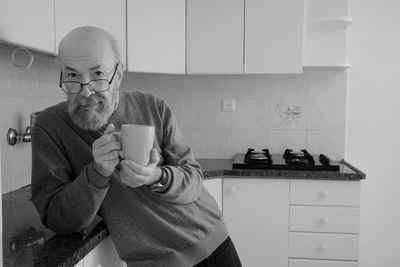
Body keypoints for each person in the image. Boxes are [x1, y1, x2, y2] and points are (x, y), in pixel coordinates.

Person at [31, 26, 241, 267]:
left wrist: (156, 176)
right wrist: (97, 173)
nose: (85, 91)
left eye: (97, 73)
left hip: (212, 240)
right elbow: (57, 219)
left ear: (118, 74)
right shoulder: (50, 126)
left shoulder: (153, 106)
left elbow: (193, 178)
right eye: (72, 76)